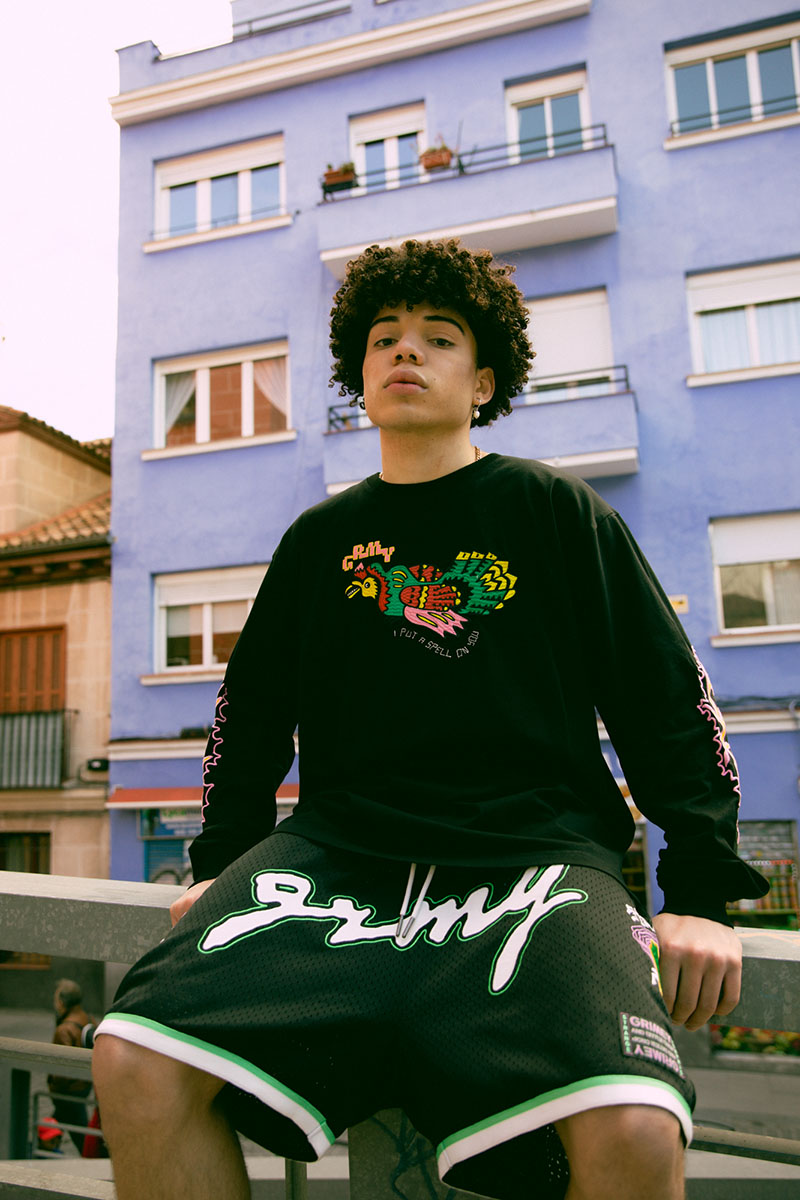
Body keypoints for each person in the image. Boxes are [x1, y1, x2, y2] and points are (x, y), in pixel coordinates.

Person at [93, 239, 768, 1200]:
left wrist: (698, 890)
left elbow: (667, 704)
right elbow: (247, 721)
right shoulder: (321, 541)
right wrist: (222, 863)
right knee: (133, 1055)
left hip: (534, 861)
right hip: (339, 861)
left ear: (482, 382)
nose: (405, 350)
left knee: (634, 1120)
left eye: (439, 337)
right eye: (384, 338)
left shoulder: (556, 511)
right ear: (361, 376)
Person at [48, 979, 95, 1153]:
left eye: (56, 1000)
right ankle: (44, 1148)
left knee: (82, 1139)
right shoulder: (88, 1019)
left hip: (67, 1093)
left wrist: (54, 1087)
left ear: (62, 1002)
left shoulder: (64, 1030)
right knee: (50, 1128)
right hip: (83, 1087)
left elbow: (62, 1068)